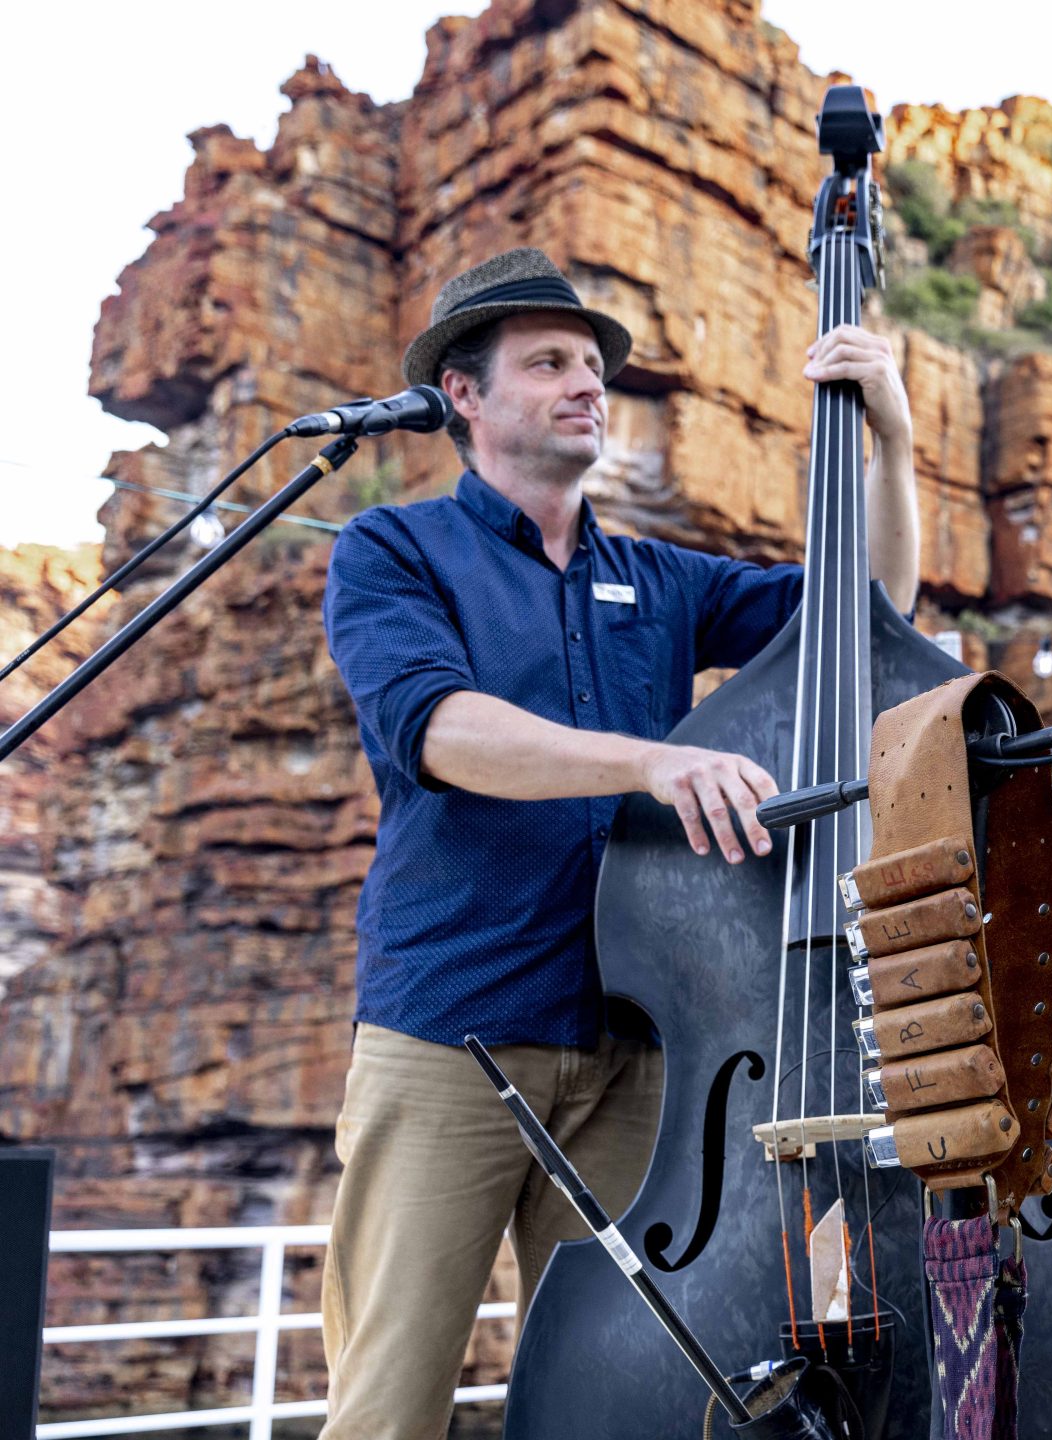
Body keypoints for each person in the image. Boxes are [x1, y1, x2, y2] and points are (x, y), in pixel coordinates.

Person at [314, 248, 918, 1440]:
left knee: (626, 1407)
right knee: (389, 1407)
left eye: (593, 366)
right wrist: (651, 759)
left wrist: (891, 443)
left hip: (642, 1056)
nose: (586, 384)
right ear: (463, 397)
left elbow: (870, 624)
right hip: (453, 1035)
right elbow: (443, 733)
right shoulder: (391, 551)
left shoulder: (659, 577)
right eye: (548, 363)